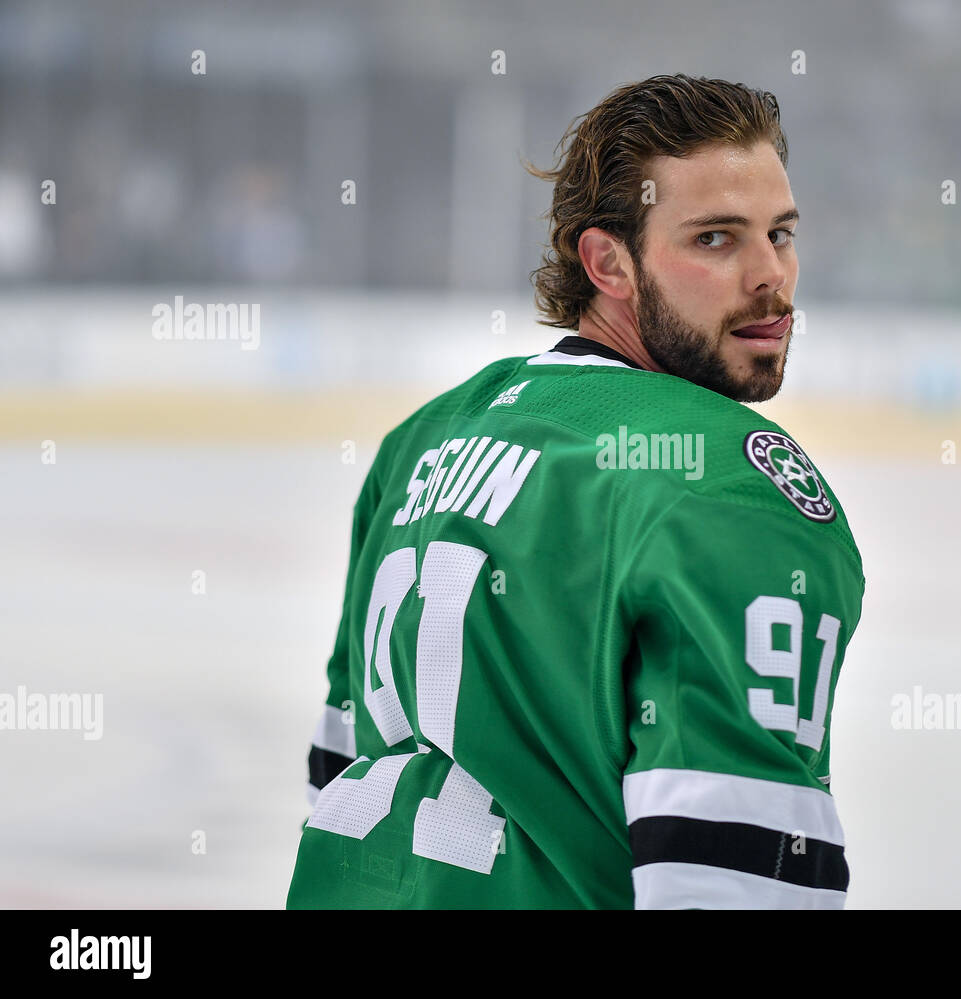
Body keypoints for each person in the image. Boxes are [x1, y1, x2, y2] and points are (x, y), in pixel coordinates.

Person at [286, 73, 865, 909]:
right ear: (607, 262)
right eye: (715, 239)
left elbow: (338, 775)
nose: (770, 277)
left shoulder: (421, 443)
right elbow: (735, 881)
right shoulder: (727, 480)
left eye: (780, 233)